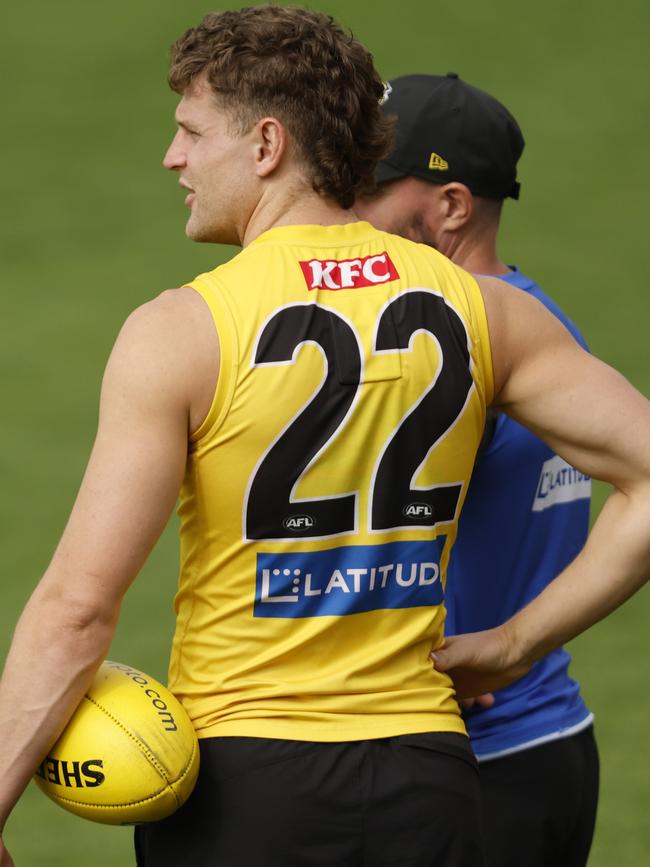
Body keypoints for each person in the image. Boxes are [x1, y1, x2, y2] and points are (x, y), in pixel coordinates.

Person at [1, 8, 649, 867]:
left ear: (267, 143)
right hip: (430, 777)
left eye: (191, 132)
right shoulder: (488, 310)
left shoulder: (183, 331)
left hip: (248, 788)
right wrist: (516, 644)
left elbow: (79, 608)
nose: (173, 157)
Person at [355, 73, 599, 867]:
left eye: (370, 187)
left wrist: (508, 642)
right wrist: (526, 641)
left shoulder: (450, 352)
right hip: (551, 742)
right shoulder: (543, 326)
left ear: (452, 206)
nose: (346, 212)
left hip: (468, 767)